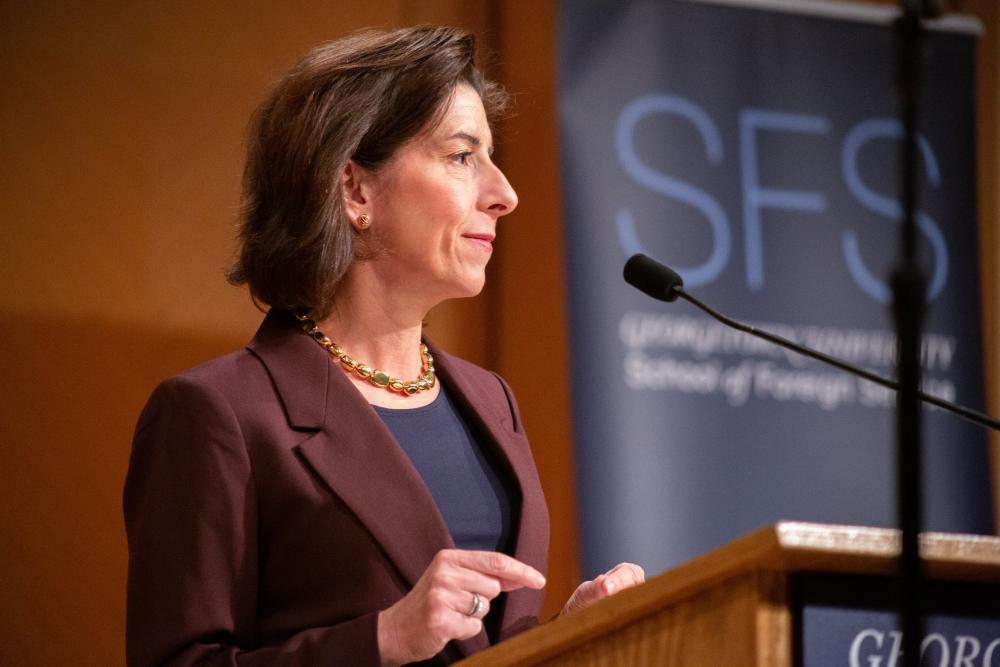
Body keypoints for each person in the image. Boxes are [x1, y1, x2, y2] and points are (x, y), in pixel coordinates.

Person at [123, 26, 644, 666]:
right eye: (461, 156)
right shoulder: (217, 414)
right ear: (355, 190)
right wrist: (384, 638)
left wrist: (573, 635)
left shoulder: (490, 400)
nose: (505, 194)